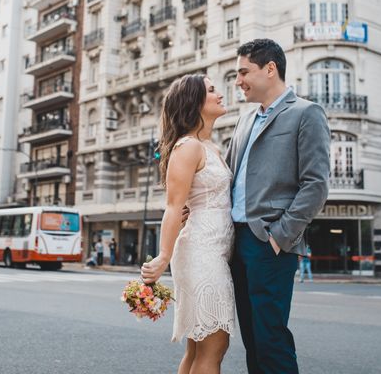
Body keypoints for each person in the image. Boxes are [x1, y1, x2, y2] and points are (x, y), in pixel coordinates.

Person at [226, 39, 330, 374]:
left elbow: (315, 184)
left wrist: (281, 235)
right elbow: (230, 179)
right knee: (253, 337)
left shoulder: (306, 112)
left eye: (244, 72)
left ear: (270, 69)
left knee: (271, 337)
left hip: (269, 242)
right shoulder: (244, 121)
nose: (238, 80)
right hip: (236, 240)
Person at [141, 74, 234, 374]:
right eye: (211, 90)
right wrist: (163, 256)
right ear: (194, 103)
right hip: (201, 253)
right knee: (213, 347)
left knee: (198, 348)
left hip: (213, 251)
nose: (220, 94)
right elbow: (173, 205)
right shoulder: (188, 147)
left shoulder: (210, 147)